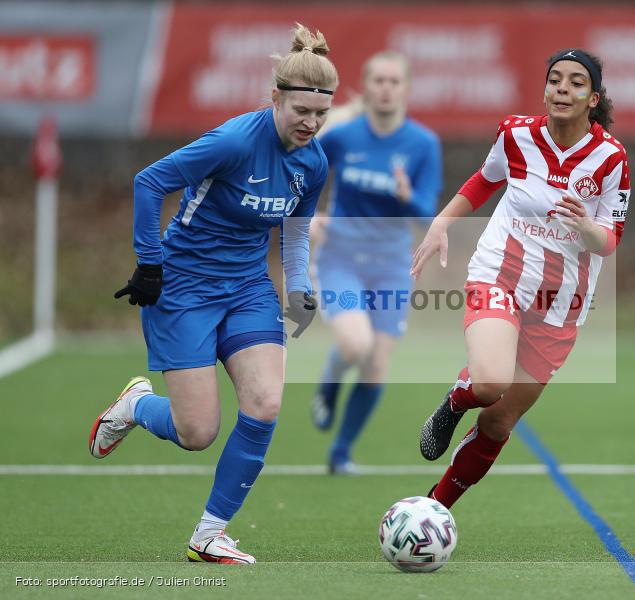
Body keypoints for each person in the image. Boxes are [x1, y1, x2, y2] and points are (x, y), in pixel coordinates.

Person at [88, 23, 338, 563]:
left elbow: (295, 232)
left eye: (321, 114)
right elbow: (149, 181)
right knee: (197, 431)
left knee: (266, 403)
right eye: (301, 111)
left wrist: (299, 288)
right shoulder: (234, 141)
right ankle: (135, 406)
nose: (311, 123)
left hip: (248, 288)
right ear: (276, 98)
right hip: (184, 287)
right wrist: (149, 263)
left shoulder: (313, 162)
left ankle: (209, 534)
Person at [411, 48, 630, 509]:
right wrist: (441, 223)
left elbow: (610, 240)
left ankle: (435, 509)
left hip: (560, 304)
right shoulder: (516, 134)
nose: (562, 89)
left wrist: (586, 227)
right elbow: (485, 180)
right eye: (555, 80)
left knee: (497, 422)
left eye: (576, 82)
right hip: (500, 275)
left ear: (593, 98)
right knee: (489, 383)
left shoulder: (611, 157)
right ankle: (455, 402)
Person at [309, 51, 442, 474]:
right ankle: (330, 381)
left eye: (394, 81)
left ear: (406, 89)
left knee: (376, 365)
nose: (386, 88)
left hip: (391, 266)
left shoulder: (423, 144)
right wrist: (307, 216)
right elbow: (299, 173)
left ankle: (341, 452)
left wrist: (408, 197)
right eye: (378, 80)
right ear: (366, 87)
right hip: (340, 258)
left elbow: (427, 215)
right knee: (355, 345)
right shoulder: (342, 137)